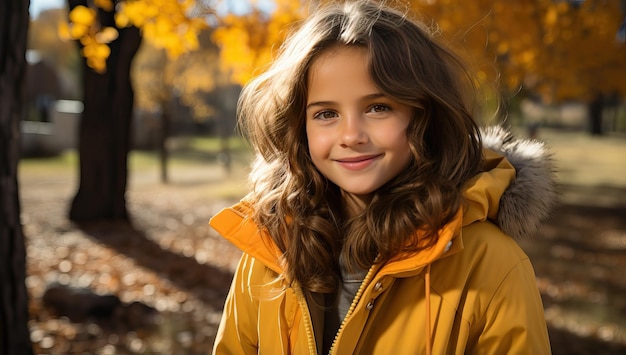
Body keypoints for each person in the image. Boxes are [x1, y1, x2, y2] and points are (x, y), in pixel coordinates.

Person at [209, 1, 555, 354]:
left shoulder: (490, 264)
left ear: (423, 115)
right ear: (300, 129)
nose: (351, 135)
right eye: (326, 113)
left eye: (378, 108)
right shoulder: (270, 250)